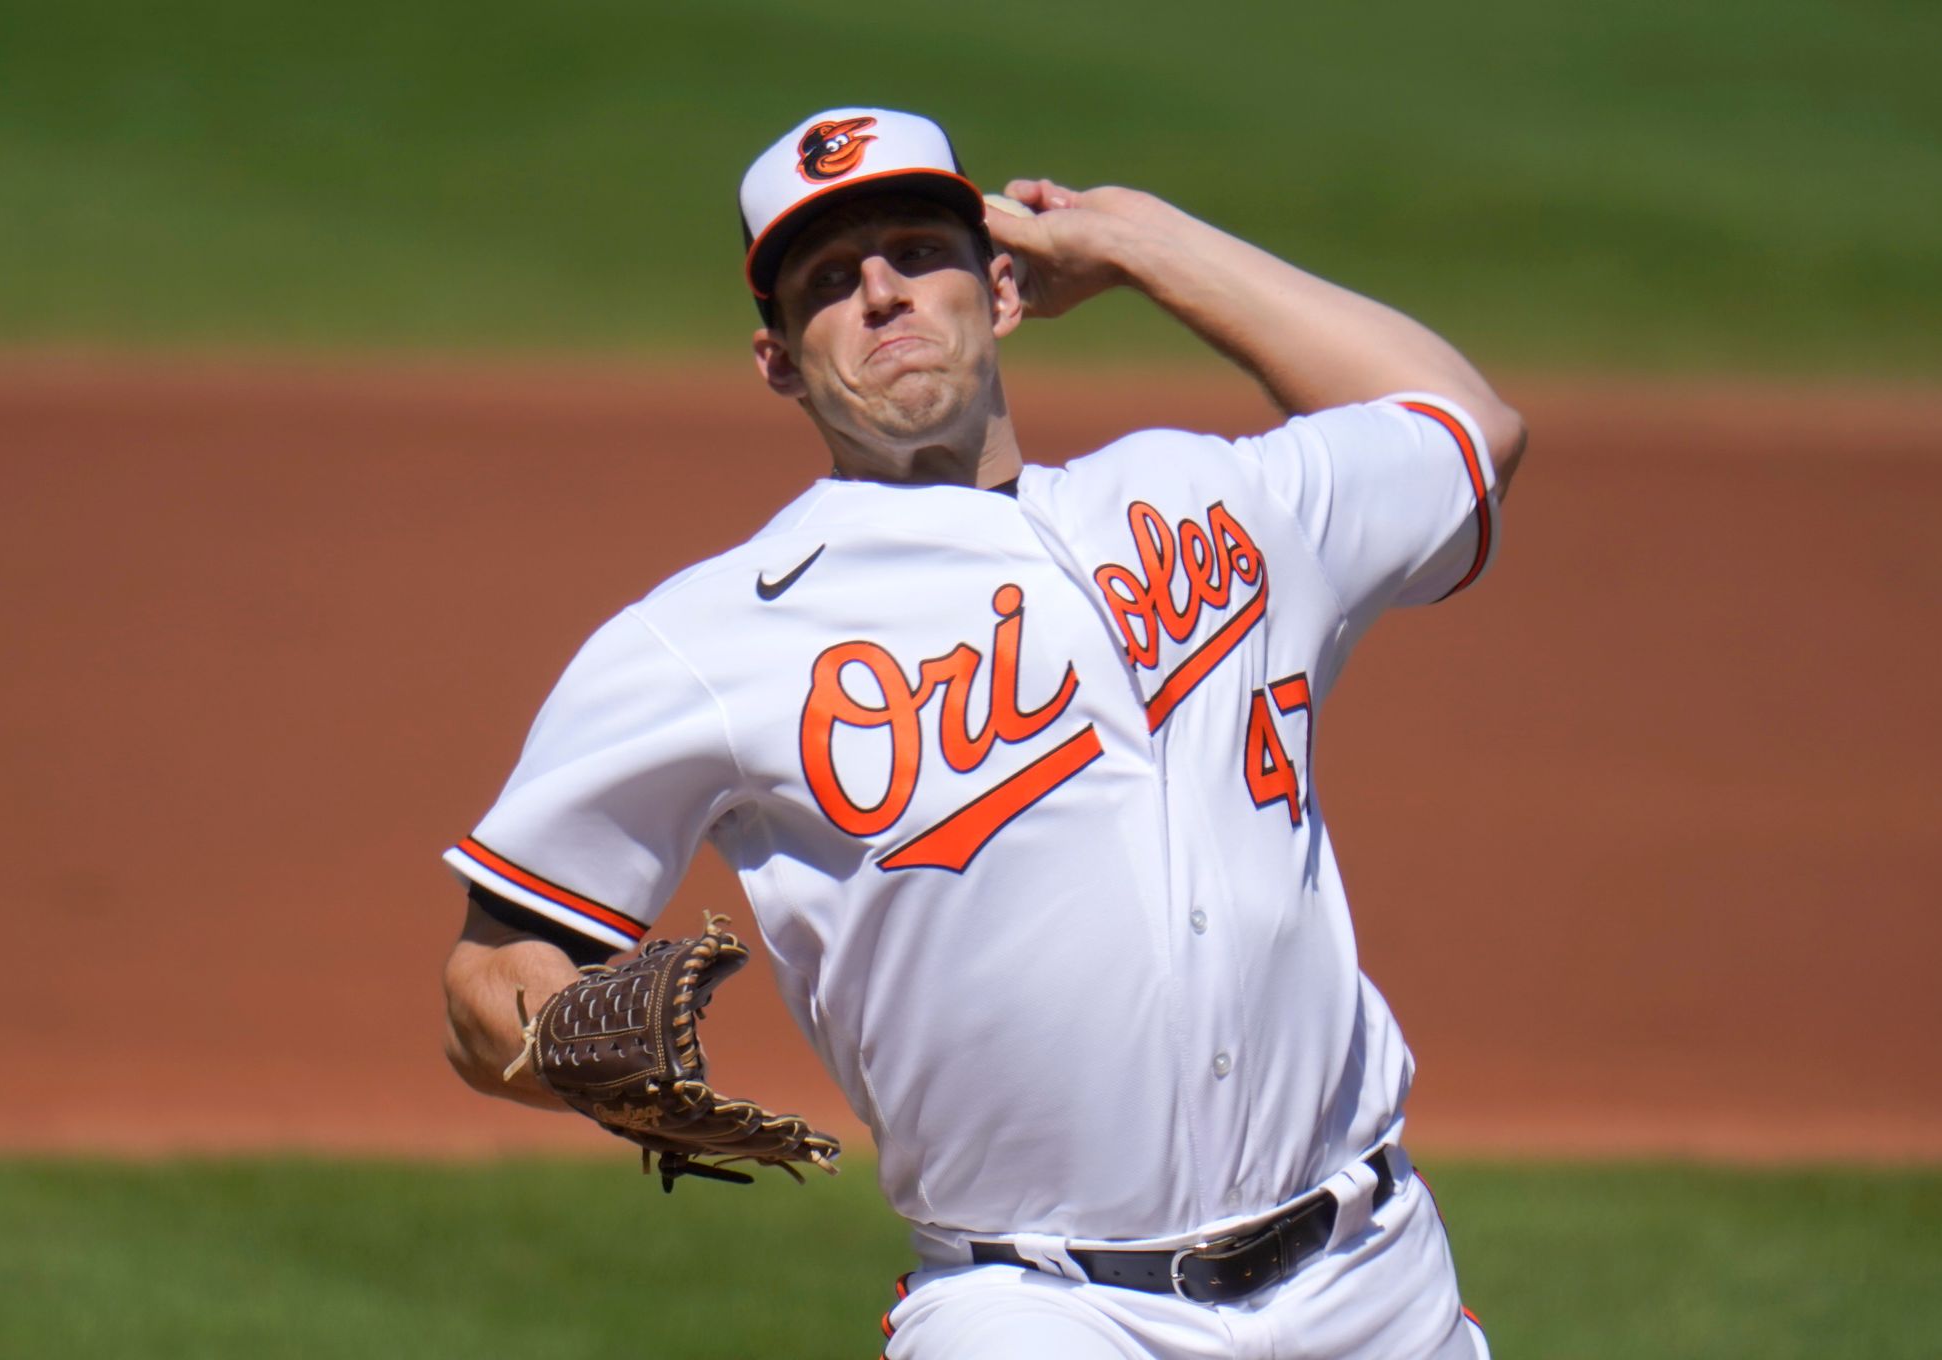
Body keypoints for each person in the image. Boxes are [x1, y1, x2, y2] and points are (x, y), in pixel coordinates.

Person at [441, 106, 1525, 1359]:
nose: (884, 293)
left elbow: (1463, 428)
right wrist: (568, 1040)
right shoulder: (703, 638)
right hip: (1035, 1310)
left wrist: (1137, 241)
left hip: (1370, 1274)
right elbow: (490, 969)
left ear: (1002, 288)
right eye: (830, 284)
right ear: (781, 362)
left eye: (918, 250)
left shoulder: (1213, 496)